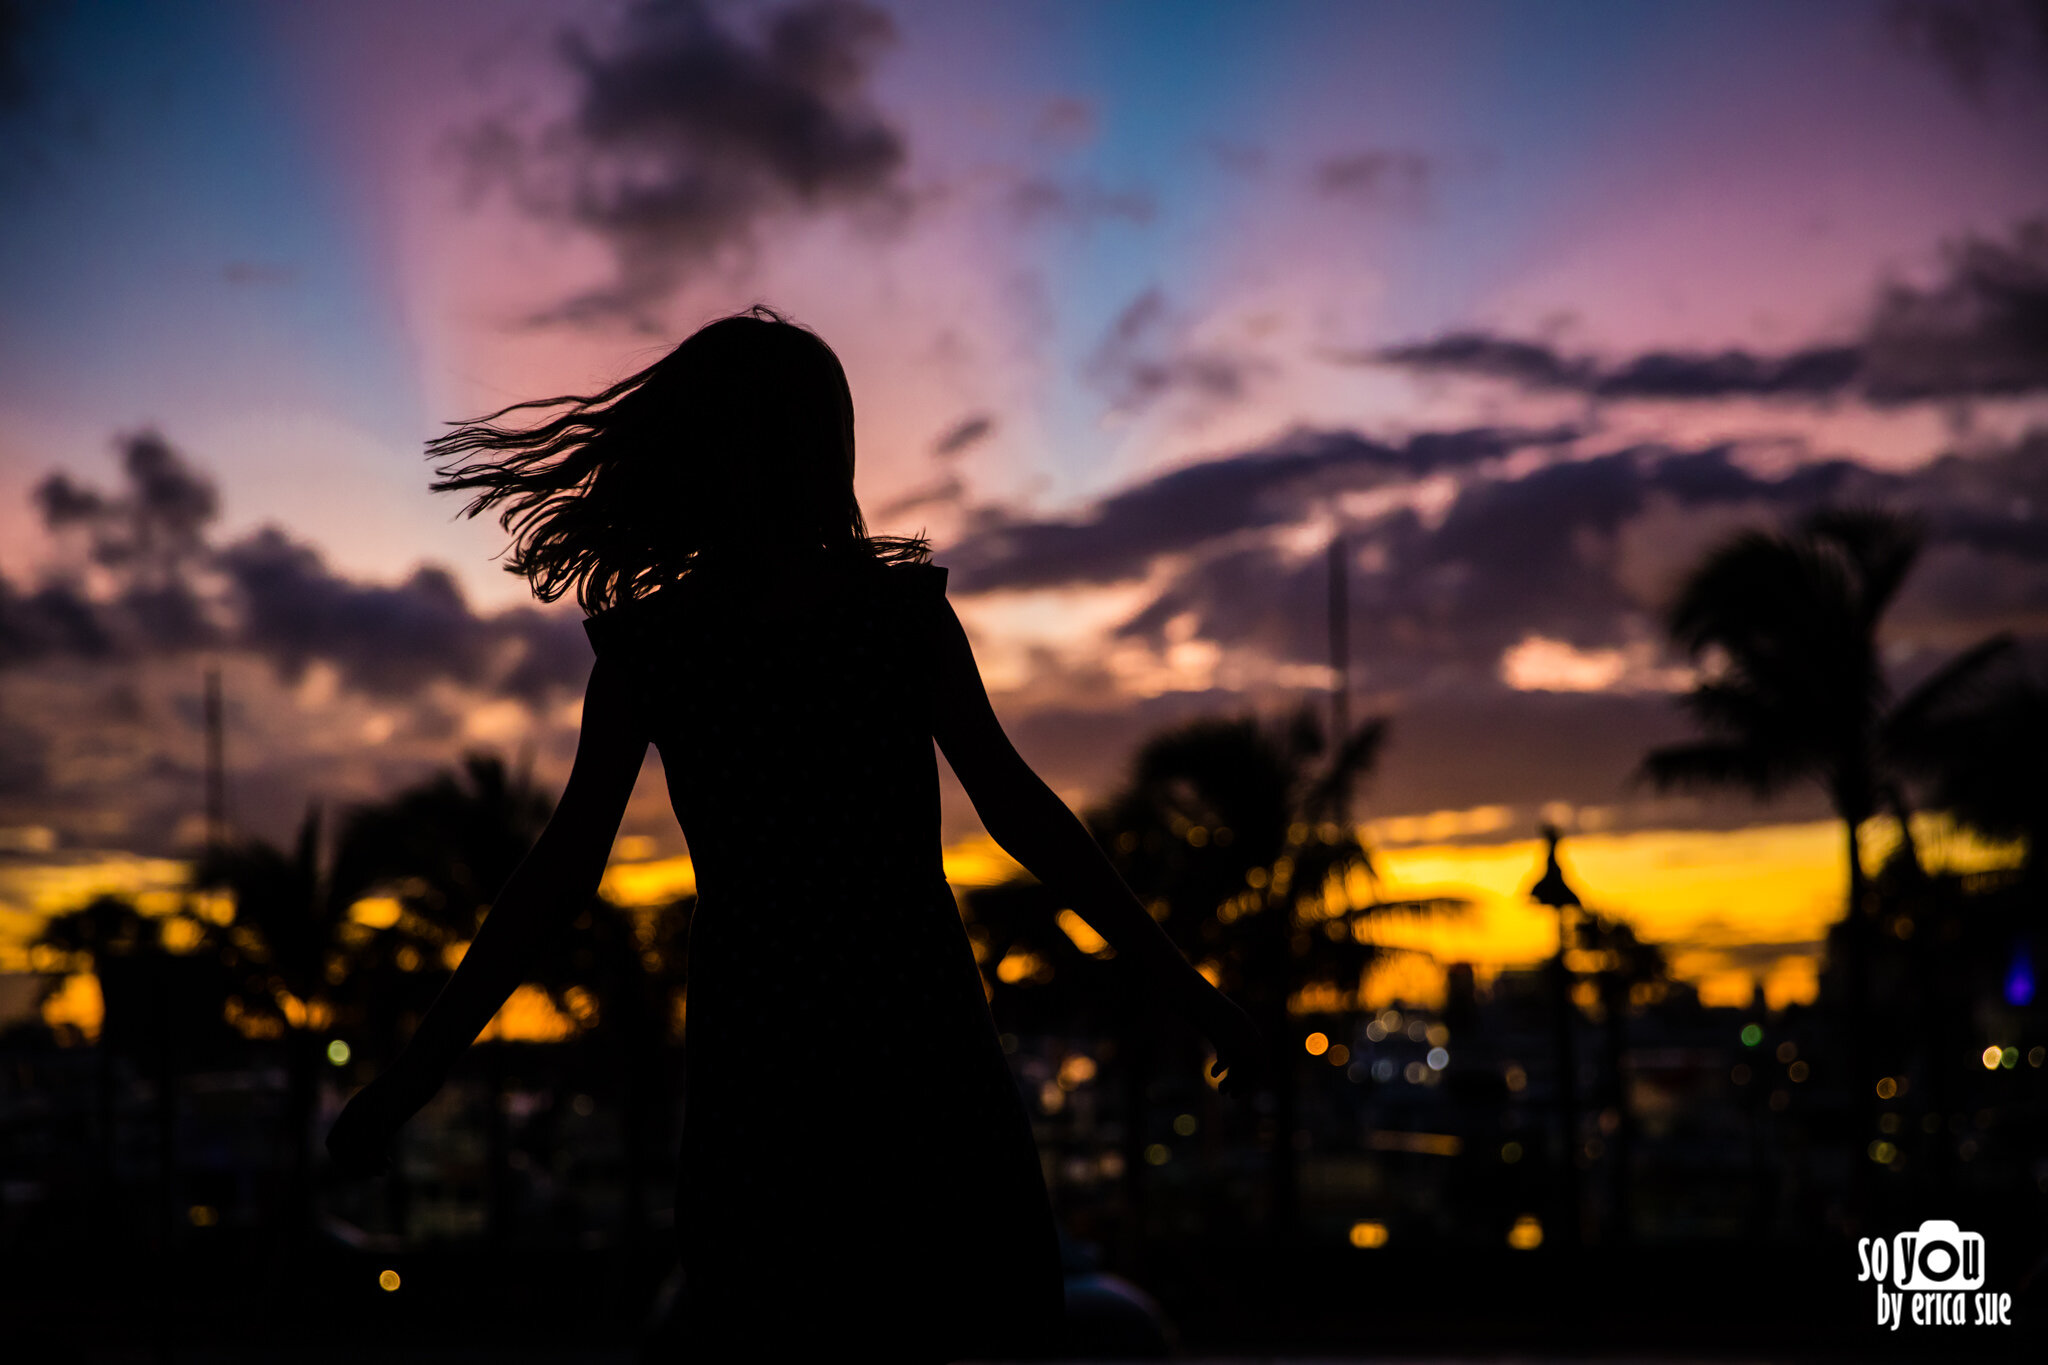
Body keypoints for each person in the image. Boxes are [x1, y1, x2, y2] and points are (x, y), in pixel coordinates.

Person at [325, 305, 1268, 1361]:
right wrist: (1192, 993)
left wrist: (415, 1076)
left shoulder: (662, 649)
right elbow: (1020, 815)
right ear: (824, 453)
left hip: (767, 1058)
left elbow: (558, 877)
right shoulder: (881, 622)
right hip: (910, 1041)